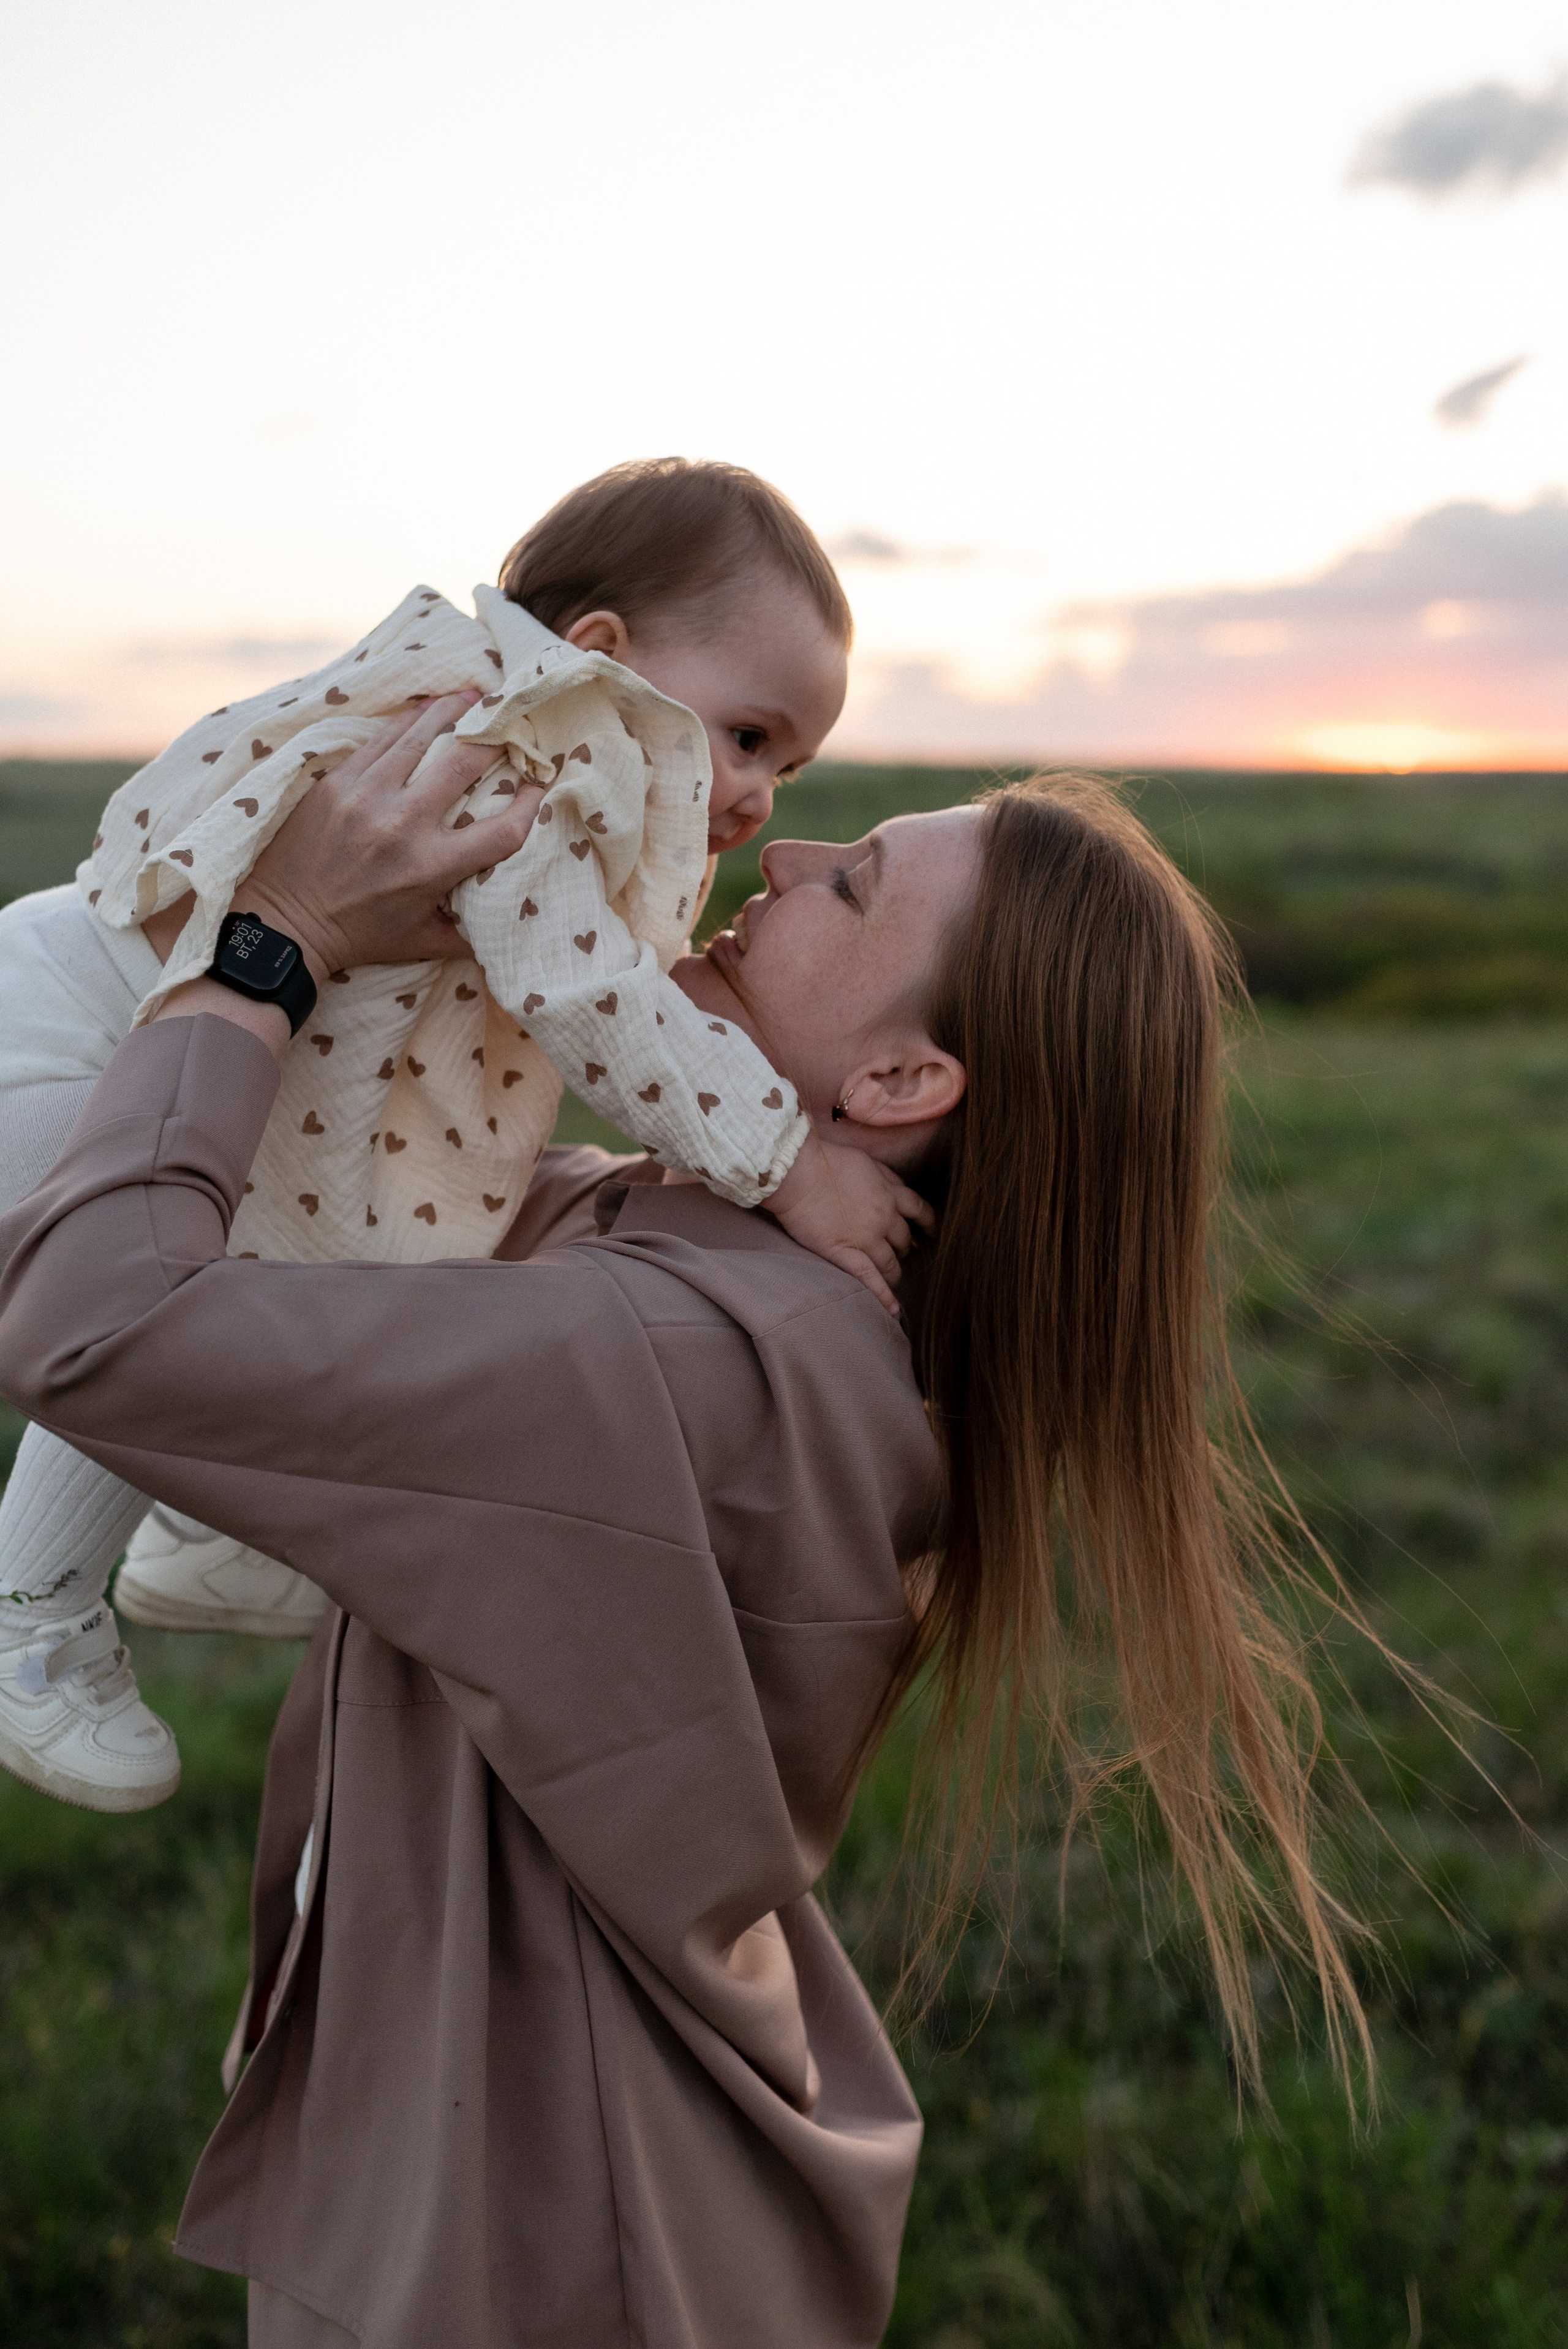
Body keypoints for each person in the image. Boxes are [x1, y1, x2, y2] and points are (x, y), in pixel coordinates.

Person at [0, 704, 1368, 2345]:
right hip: (570, 2175)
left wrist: (272, 945)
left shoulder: (659, 1361)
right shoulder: (772, 1289)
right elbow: (423, 1194)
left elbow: (94, 1324)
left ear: (904, 1077)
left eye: (851, 883)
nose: (782, 852)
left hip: (533, 2242)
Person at [0, 460, 924, 1817]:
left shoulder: (534, 750)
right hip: (69, 1034)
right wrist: (785, 1159)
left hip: (145, 1036)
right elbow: (591, 1002)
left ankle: (212, 1541)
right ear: (602, 656)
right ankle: (30, 1618)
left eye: (789, 763)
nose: (761, 798)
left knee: (272, 1261)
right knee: (130, 1301)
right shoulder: (513, 760)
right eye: (746, 736)